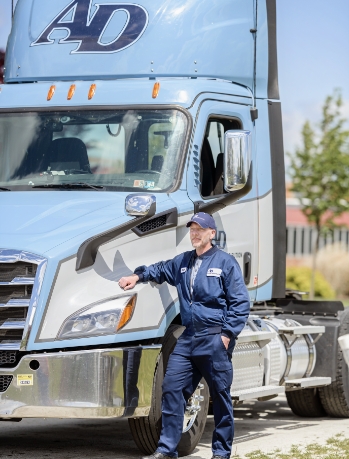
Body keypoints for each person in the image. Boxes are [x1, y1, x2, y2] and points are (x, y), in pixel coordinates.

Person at [118, 212, 250, 459]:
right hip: (188, 339)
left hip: (214, 339)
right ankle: (167, 450)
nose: (195, 233)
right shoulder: (183, 262)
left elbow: (240, 303)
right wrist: (136, 277)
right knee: (171, 389)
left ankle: (221, 453)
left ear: (212, 233)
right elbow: (159, 269)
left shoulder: (225, 263)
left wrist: (227, 335)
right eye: (192, 229)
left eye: (200, 229)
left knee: (220, 397)